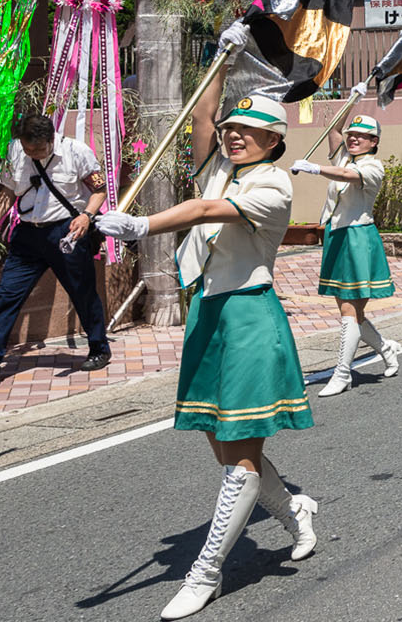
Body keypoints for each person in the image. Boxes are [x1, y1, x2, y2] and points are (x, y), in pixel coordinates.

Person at [94, 88, 316, 619]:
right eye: (230, 128)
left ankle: (206, 571)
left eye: (249, 129)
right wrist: (224, 46)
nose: (233, 134)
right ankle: (294, 510)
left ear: (274, 139)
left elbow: (204, 209)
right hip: (209, 317)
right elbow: (201, 114)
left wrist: (142, 226)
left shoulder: (273, 184)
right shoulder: (222, 167)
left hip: (249, 318)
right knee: (225, 447)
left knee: (238, 458)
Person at [0, 113, 110, 386]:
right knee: (7, 295)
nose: (31, 154)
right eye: (27, 149)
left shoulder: (76, 151)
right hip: (27, 234)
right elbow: (8, 192)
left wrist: (86, 216)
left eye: (37, 149)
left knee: (82, 292)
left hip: (66, 232)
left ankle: (99, 348)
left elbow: (99, 189)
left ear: (51, 140)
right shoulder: (15, 150)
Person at [292, 115, 402, 395]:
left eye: (361, 136)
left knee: (348, 311)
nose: (353, 138)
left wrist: (314, 168)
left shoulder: (373, 167)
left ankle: (342, 374)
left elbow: (346, 177)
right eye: (351, 134)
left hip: (357, 238)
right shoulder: (344, 156)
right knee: (353, 311)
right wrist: (354, 97)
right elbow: (335, 128)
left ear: (373, 141)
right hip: (337, 236)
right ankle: (386, 348)